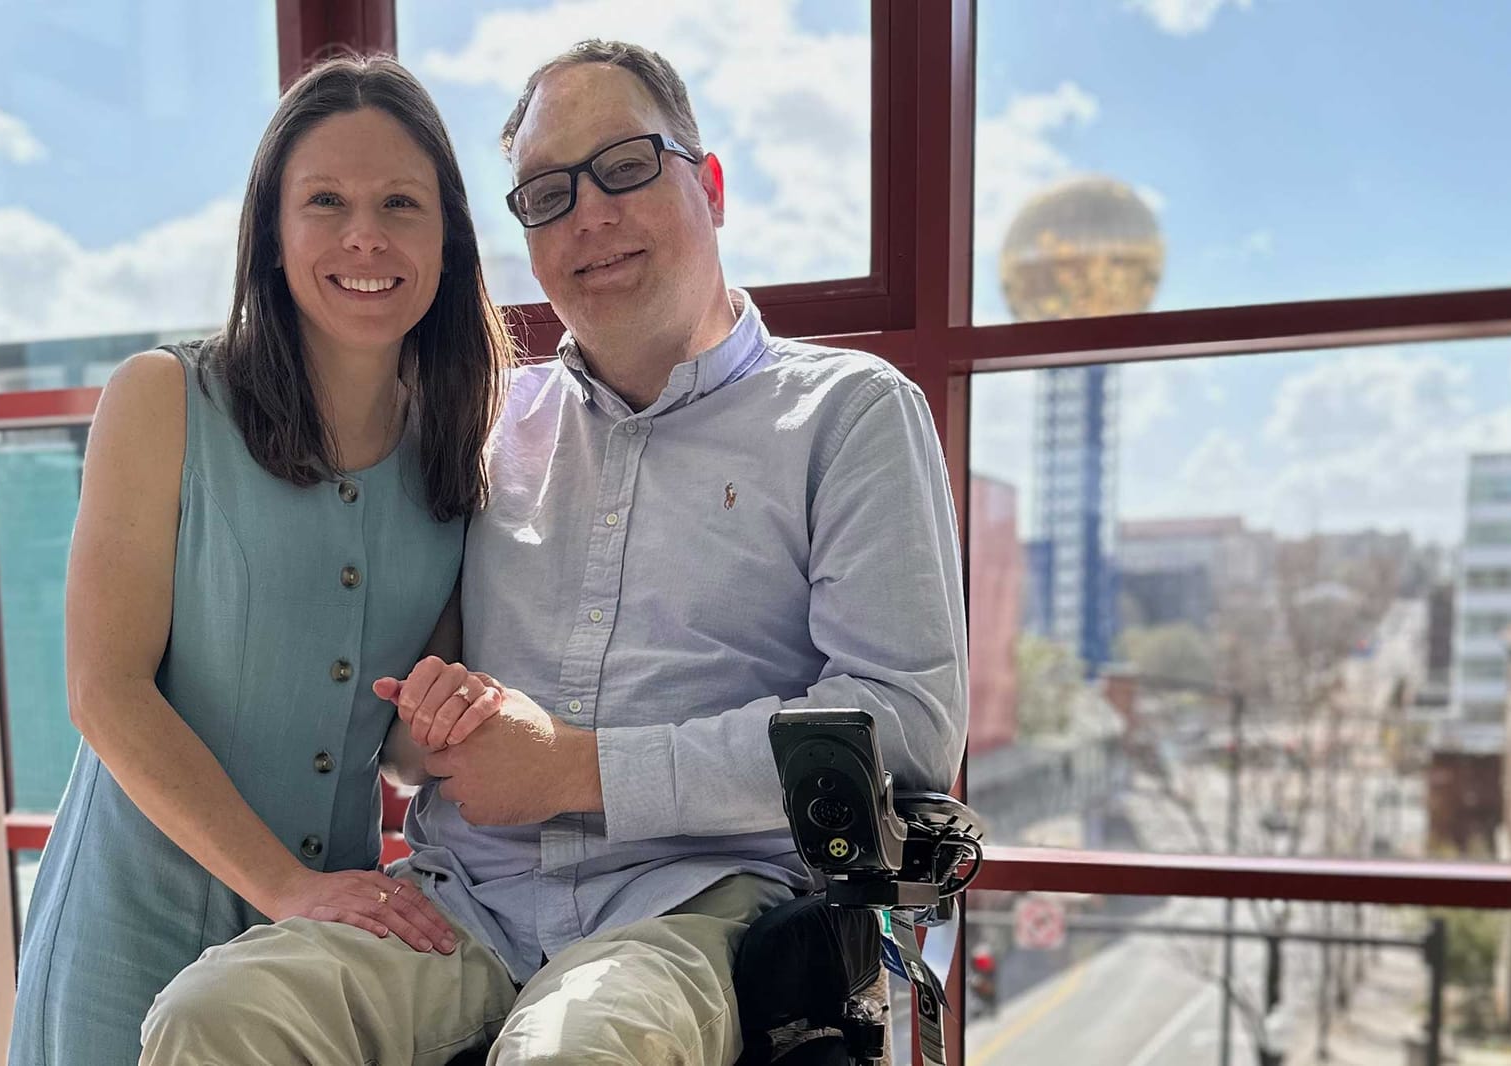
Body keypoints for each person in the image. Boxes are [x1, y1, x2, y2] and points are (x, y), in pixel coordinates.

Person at [140, 39, 966, 1065]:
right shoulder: (481, 429)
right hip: (463, 902)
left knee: (569, 1054)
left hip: (686, 907)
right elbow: (413, 731)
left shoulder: (847, 414)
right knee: (211, 1016)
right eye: (545, 193)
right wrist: (437, 714)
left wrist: (582, 769)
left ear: (707, 184)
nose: (589, 215)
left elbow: (904, 728)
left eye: (624, 167)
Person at [7, 54, 513, 1065]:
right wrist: (283, 886)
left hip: (322, 964)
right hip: (128, 935)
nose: (364, 234)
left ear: (448, 240)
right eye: (324, 200)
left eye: (400, 203)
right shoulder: (161, 400)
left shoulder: (458, 448)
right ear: (271, 235)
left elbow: (405, 755)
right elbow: (102, 689)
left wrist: (451, 711)